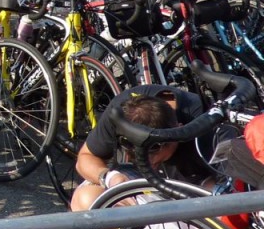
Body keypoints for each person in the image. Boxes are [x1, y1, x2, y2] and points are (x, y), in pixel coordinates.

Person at [71, 85, 207, 212]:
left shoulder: (204, 120)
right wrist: (110, 177)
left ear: (177, 132)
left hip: (194, 192)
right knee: (85, 199)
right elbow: (86, 157)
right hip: (148, 187)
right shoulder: (121, 111)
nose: (136, 159)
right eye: (131, 152)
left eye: (151, 155)